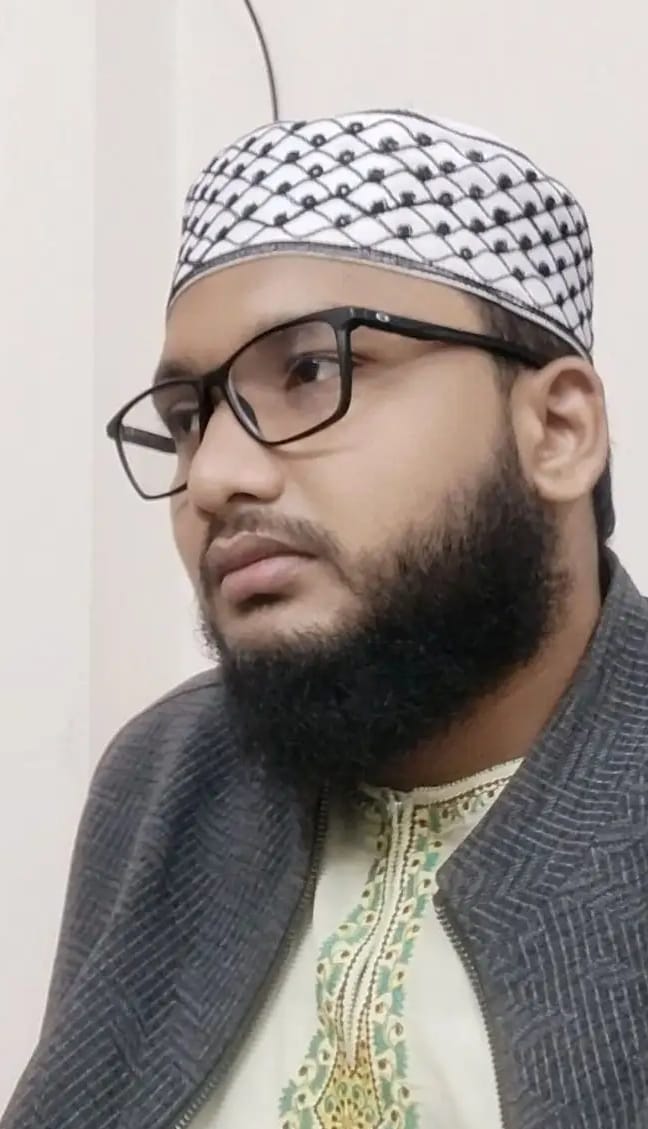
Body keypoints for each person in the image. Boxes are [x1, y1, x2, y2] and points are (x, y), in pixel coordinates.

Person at [3, 107, 648, 1129]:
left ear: (558, 430)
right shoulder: (169, 780)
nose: (212, 476)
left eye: (310, 371)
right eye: (187, 418)